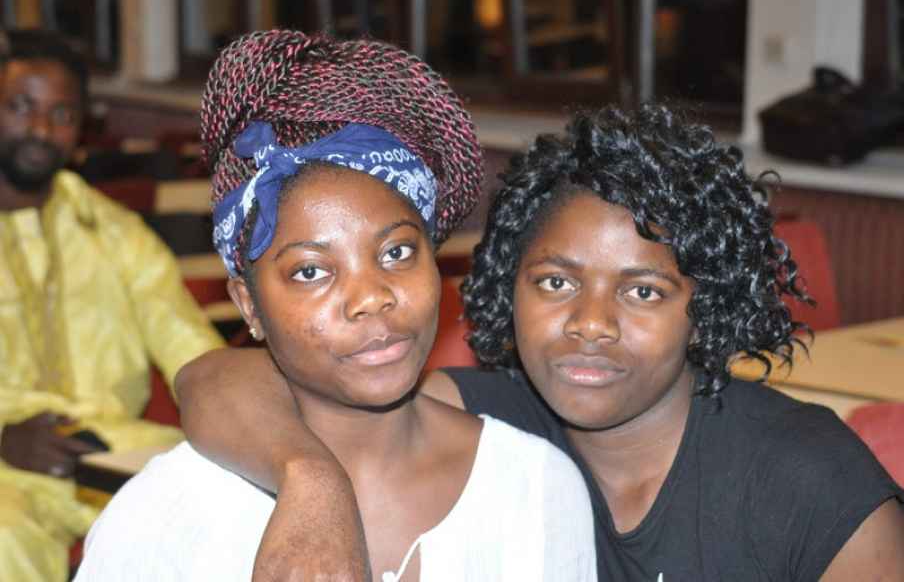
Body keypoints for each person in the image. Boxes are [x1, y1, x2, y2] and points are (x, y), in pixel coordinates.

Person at [174, 103, 904, 581]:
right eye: (555, 282)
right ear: (507, 286)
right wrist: (310, 478)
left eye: (643, 291)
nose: (591, 323)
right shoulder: (500, 422)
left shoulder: (804, 479)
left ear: (703, 306)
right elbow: (215, 378)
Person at [74, 30, 596, 582]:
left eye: (396, 252)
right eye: (311, 271)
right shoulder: (165, 517)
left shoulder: (533, 488)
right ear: (249, 307)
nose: (371, 296)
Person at [0, 29, 224, 581]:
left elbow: (193, 353)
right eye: (20, 107)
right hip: (6, 473)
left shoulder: (115, 233)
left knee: (227, 498)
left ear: (81, 128)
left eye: (61, 114)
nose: (40, 130)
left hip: (111, 452)